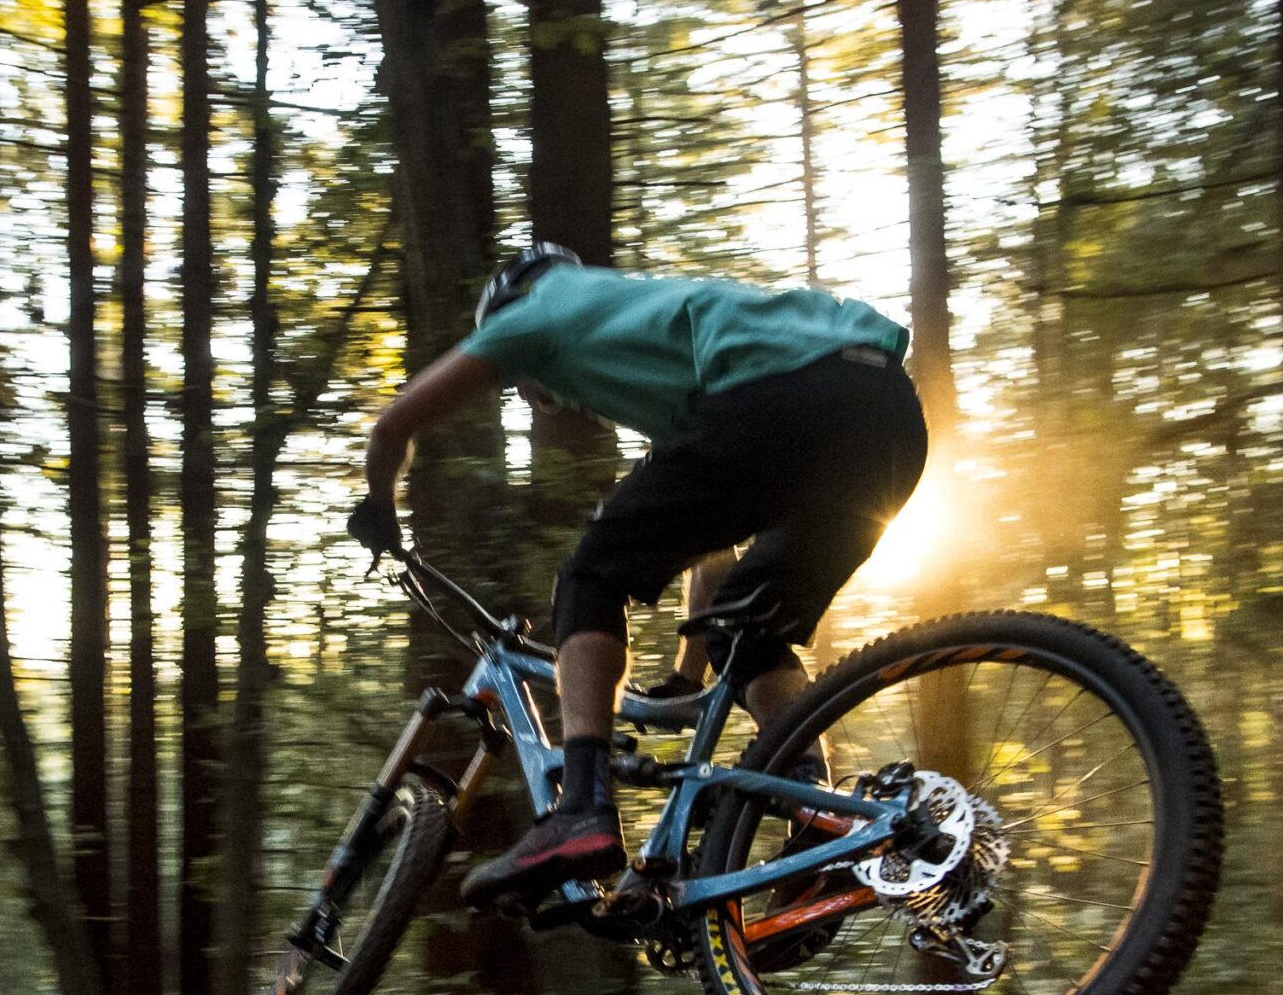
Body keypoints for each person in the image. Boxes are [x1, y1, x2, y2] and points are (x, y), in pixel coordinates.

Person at [348, 242, 929, 909]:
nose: (532, 394)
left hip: (778, 401)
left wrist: (380, 508)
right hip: (886, 416)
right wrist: (691, 670)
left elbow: (393, 426)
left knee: (590, 577)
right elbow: (712, 551)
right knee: (747, 628)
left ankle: (582, 809)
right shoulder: (650, 323)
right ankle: (823, 822)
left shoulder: (535, 311)